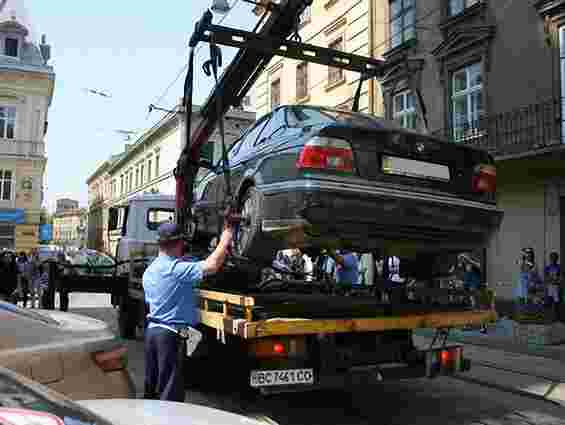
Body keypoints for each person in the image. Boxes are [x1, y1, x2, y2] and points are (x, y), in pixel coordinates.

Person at [143, 218, 235, 402]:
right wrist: (226, 237)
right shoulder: (175, 269)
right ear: (179, 243)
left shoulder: (151, 270)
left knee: (152, 390)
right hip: (170, 336)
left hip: (153, 333)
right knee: (170, 392)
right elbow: (212, 266)